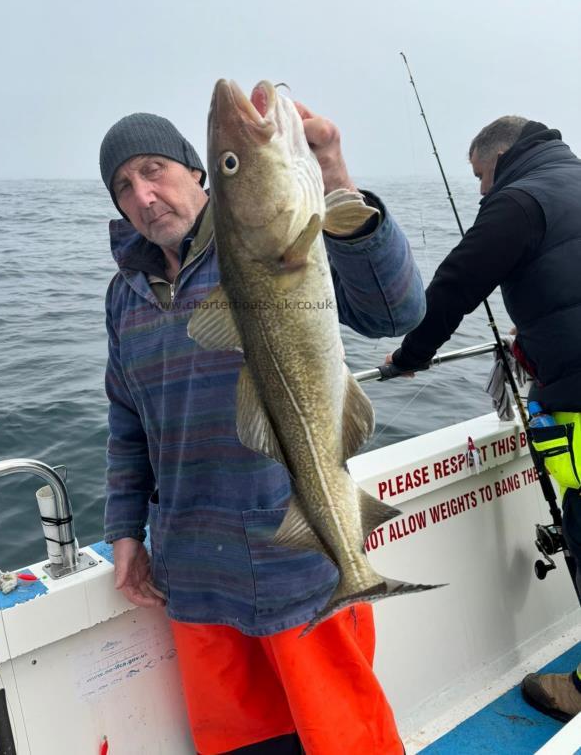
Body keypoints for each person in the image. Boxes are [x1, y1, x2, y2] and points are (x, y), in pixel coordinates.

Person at [100, 101, 426, 755]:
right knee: (240, 745)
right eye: (123, 186)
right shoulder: (123, 294)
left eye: (154, 170)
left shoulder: (259, 243)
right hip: (190, 573)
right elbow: (126, 421)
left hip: (295, 562)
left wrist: (331, 171)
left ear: (200, 176)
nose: (143, 195)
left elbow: (394, 311)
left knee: (344, 739)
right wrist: (123, 531)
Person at [388, 116, 581, 723]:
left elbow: (455, 283)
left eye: (477, 175)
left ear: (498, 159)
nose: (478, 191)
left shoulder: (519, 201)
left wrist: (410, 355)